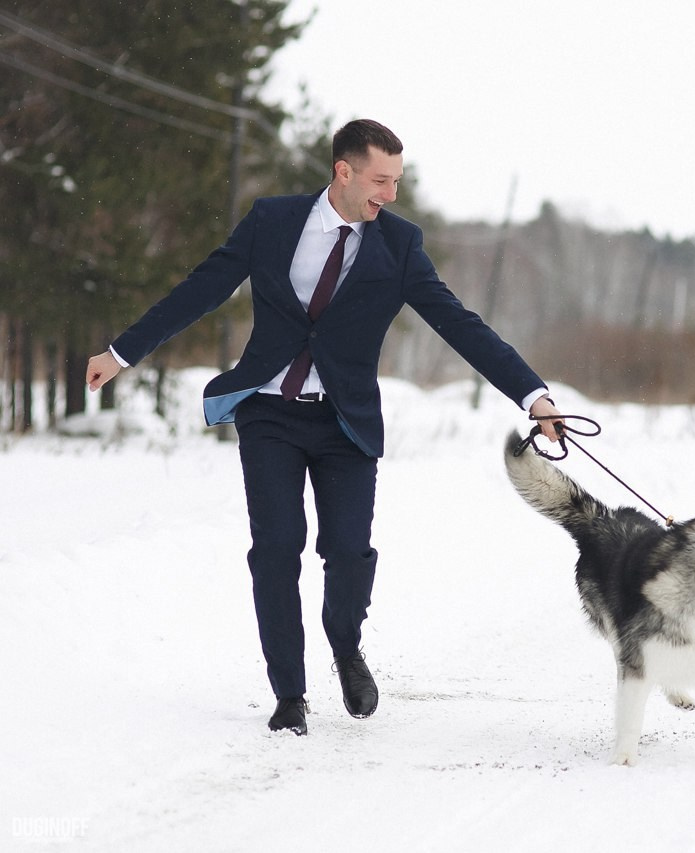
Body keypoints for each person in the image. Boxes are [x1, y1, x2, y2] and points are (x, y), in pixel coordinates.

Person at [86, 119, 564, 735]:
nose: (390, 194)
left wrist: (534, 397)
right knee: (276, 549)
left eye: (397, 181)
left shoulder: (399, 245)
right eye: (380, 180)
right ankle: (289, 694)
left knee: (347, 550)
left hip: (345, 421)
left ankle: (344, 643)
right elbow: (202, 288)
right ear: (343, 170)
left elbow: (460, 324)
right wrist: (121, 353)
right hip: (269, 414)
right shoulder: (273, 220)